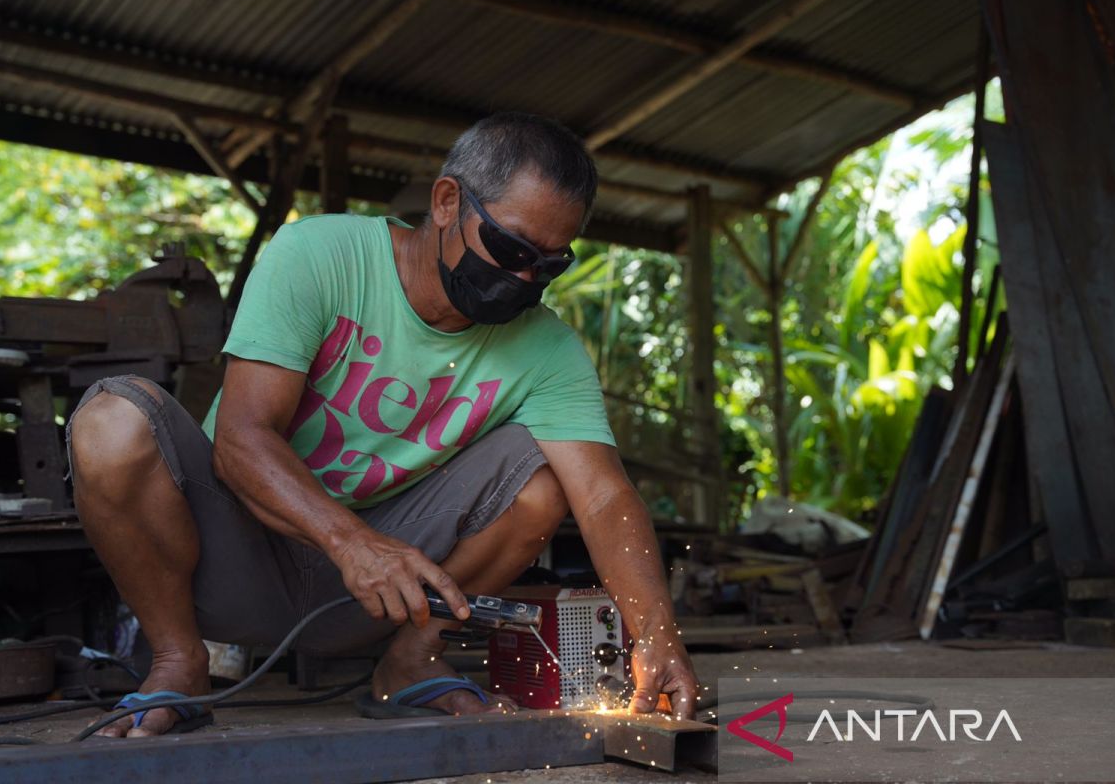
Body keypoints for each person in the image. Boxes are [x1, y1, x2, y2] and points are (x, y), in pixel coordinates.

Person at [67, 112, 699, 737]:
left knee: (545, 479)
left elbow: (605, 495)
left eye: (548, 264)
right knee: (112, 419)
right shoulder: (319, 254)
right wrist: (352, 544)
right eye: (510, 249)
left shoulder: (548, 349)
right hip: (235, 559)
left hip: (388, 595)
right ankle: (179, 660)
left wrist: (655, 634)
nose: (522, 278)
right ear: (448, 201)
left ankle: (410, 661)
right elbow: (240, 441)